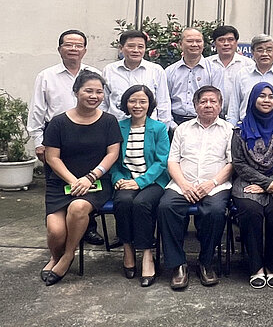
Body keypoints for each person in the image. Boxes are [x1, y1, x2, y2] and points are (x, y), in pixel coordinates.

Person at [40, 70, 121, 285]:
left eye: (99, 92)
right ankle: (55, 256)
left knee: (78, 208)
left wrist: (90, 177)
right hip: (62, 183)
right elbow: (52, 157)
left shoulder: (109, 121)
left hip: (96, 183)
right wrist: (73, 181)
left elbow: (112, 153)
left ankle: (67, 256)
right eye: (88, 91)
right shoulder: (58, 123)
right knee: (56, 232)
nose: (94, 96)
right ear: (76, 92)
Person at [28, 29, 105, 247]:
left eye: (78, 45)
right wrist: (38, 141)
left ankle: (88, 228)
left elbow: (103, 104)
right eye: (68, 45)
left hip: (91, 137)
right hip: (57, 138)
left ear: (85, 50)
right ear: (60, 48)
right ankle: (59, 228)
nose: (73, 49)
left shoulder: (94, 74)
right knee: (60, 183)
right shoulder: (46, 76)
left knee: (90, 184)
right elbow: (37, 110)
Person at [158, 85, 233, 290]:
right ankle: (178, 265)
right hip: (183, 184)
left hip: (216, 185)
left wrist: (212, 182)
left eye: (213, 101)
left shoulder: (228, 130)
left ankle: (206, 262)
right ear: (195, 105)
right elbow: (172, 161)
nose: (208, 105)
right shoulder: (182, 129)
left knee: (216, 211)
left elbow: (231, 163)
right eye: (203, 101)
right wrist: (184, 184)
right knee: (166, 207)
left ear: (220, 105)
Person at [231, 82, 273, 289]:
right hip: (248, 179)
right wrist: (264, 182)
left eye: (271, 96)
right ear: (253, 100)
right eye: (262, 96)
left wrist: (270, 182)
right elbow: (239, 162)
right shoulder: (240, 128)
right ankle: (255, 267)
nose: (267, 100)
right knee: (250, 210)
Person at [111, 84, 169, 287]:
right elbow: (112, 159)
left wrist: (139, 182)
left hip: (152, 181)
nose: (137, 105)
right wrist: (117, 178)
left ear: (149, 104)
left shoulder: (159, 128)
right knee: (123, 202)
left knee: (142, 204)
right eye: (133, 101)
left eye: (142, 101)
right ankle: (127, 248)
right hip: (126, 179)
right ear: (126, 103)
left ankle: (146, 254)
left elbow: (162, 161)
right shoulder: (118, 127)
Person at [103, 30, 172, 127]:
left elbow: (163, 102)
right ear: (121, 48)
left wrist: (163, 128)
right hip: (116, 127)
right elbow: (104, 102)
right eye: (131, 46)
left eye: (140, 47)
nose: (136, 50)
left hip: (148, 128)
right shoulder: (109, 70)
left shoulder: (156, 70)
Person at [228, 35, 273, 124]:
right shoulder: (242, 74)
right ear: (252, 52)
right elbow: (234, 107)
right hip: (247, 129)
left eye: (269, 50)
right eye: (260, 50)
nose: (264, 54)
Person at [165, 28, 222, 129]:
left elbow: (219, 100)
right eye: (190, 41)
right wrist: (172, 125)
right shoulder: (169, 71)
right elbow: (164, 101)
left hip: (206, 123)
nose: (195, 44)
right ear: (180, 44)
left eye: (198, 41)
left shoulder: (214, 70)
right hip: (176, 122)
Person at [205, 25, 254, 120]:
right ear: (215, 43)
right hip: (211, 117)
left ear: (236, 42)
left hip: (240, 118)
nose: (226, 43)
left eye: (230, 39)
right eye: (221, 40)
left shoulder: (248, 64)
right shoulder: (207, 64)